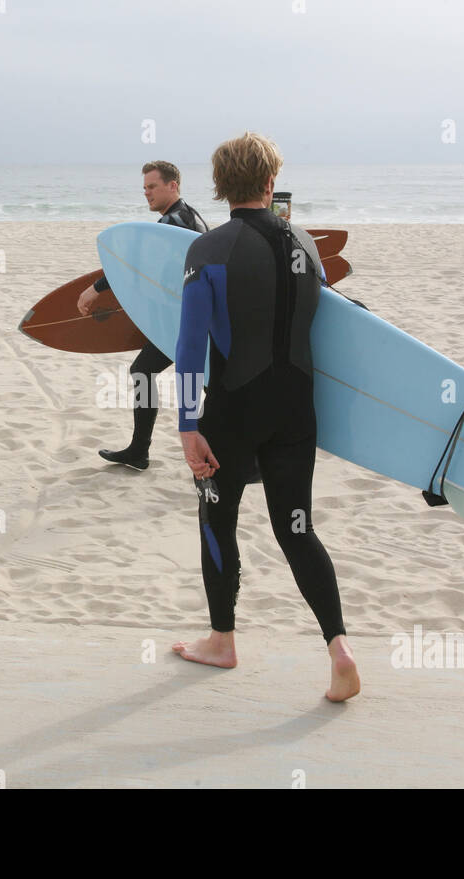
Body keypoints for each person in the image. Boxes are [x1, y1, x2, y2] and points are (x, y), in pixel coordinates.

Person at [170, 132, 359, 702]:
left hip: (233, 411)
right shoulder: (306, 243)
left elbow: (189, 345)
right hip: (297, 410)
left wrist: (186, 424)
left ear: (221, 185)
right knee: (296, 529)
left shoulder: (208, 250)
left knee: (216, 517)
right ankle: (339, 649)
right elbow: (330, 321)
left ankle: (221, 640)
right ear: (271, 180)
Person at [77, 161, 208, 471]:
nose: (146, 193)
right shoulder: (189, 217)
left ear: (172, 186)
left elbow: (137, 266)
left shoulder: (173, 224)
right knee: (152, 373)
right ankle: (139, 451)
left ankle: (142, 451)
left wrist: (96, 289)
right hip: (188, 319)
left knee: (178, 380)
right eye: (145, 188)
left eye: (152, 187)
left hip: (187, 323)